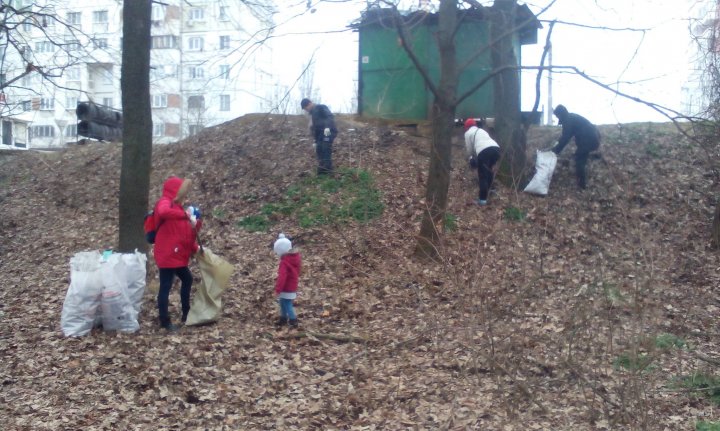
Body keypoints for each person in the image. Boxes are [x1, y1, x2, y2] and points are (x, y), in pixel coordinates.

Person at [152, 176, 202, 332]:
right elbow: (163, 211)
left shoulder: (179, 208)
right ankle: (165, 321)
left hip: (177, 256)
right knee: (165, 286)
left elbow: (184, 236)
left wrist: (196, 248)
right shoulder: (165, 202)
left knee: (187, 278)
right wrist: (185, 216)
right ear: (175, 191)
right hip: (167, 254)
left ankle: (186, 313)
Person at [551, 104, 601, 189]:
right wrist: (556, 146)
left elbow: (566, 137)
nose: (557, 118)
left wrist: (555, 151)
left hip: (589, 139)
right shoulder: (570, 118)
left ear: (560, 114)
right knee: (580, 156)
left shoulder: (568, 120)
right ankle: (595, 157)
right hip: (592, 137)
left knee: (579, 160)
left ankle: (582, 186)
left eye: (557, 116)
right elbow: (564, 136)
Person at [464, 118, 501, 205]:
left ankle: (482, 200)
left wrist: (470, 158)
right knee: (489, 170)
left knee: (482, 175)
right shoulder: (481, 130)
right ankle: (491, 190)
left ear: (467, 127)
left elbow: (469, 149)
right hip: (496, 149)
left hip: (484, 151)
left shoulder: (468, 133)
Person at [301, 98, 338, 175]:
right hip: (321, 133)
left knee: (325, 147)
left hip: (328, 130)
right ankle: (322, 168)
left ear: (310, 103)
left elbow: (329, 117)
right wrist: (315, 141)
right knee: (318, 148)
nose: (306, 110)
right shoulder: (312, 114)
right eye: (305, 109)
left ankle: (328, 169)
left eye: (306, 107)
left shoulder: (321, 107)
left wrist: (327, 129)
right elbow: (316, 129)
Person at [273, 233, 301, 328]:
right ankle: (283, 318)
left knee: (287, 303)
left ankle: (293, 320)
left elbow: (282, 277)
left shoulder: (284, 262)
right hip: (292, 284)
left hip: (286, 287)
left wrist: (278, 289)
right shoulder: (294, 258)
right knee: (282, 301)